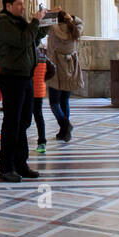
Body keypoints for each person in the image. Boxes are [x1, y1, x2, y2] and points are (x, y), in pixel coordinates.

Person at [0, 0, 50, 182]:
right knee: (12, 124)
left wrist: (48, 21)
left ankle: (21, 164)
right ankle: (6, 167)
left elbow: (32, 38)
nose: (23, 7)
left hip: (25, 77)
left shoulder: (19, 22)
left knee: (24, 122)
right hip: (12, 78)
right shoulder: (3, 23)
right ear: (8, 6)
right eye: (19, 4)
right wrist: (34, 22)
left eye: (22, 3)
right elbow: (22, 40)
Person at [46, 9, 82, 141]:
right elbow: (80, 21)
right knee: (64, 101)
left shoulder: (53, 30)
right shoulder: (75, 29)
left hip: (55, 70)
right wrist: (71, 17)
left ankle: (65, 125)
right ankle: (64, 132)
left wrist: (50, 13)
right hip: (70, 68)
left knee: (54, 102)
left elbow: (42, 22)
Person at [30, 47, 50, 154]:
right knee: (39, 116)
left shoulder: (28, 55)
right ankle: (42, 142)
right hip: (39, 90)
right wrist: (43, 79)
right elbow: (52, 69)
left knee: (25, 117)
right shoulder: (43, 56)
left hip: (29, 90)